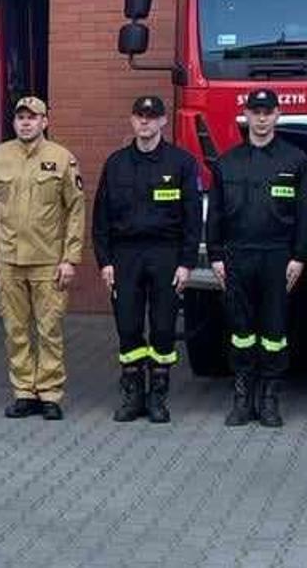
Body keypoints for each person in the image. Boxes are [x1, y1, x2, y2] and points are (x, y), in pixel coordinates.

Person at [206, 88, 307, 428]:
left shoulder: (295, 161)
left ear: (278, 115)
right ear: (247, 115)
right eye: (256, 112)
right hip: (238, 255)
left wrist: (299, 256)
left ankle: (269, 399)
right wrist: (215, 255)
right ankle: (243, 399)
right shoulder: (227, 163)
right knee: (240, 330)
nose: (262, 118)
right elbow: (216, 215)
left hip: (278, 256)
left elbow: (306, 214)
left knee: (274, 331)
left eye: (268, 111)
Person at [91, 95, 202, 424]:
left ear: (163, 121)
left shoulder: (181, 163)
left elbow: (192, 218)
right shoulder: (116, 164)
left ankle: (158, 396)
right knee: (128, 327)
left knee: (164, 328)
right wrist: (105, 261)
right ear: (132, 120)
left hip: (166, 255)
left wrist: (187, 263)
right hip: (125, 256)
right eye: (140, 116)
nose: (145, 122)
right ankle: (132, 395)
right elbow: (101, 219)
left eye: (152, 117)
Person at [0, 97, 86, 420]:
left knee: (49, 328)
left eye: (33, 118)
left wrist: (71, 258)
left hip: (48, 261)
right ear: (14, 122)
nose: (26, 123)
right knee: (16, 329)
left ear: (45, 122)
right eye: (21, 117)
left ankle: (50, 393)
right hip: (9, 259)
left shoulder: (62, 159)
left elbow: (76, 211)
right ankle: (24, 391)